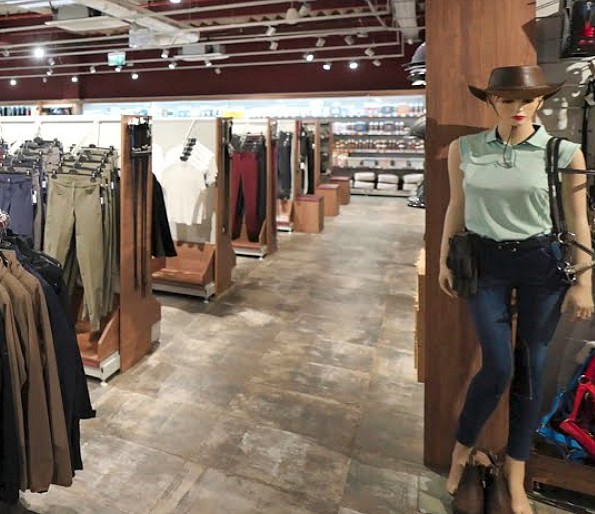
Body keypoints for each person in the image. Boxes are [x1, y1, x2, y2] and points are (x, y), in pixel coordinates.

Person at [438, 65, 595, 514]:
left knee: (532, 367)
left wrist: (584, 282)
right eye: (507, 99)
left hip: (541, 264)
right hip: (485, 263)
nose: (518, 107)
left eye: (527, 99)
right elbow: (456, 206)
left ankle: (515, 472)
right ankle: (462, 451)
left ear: (541, 100)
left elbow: (579, 220)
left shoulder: (564, 153)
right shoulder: (465, 148)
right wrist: (446, 258)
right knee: (498, 366)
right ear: (492, 101)